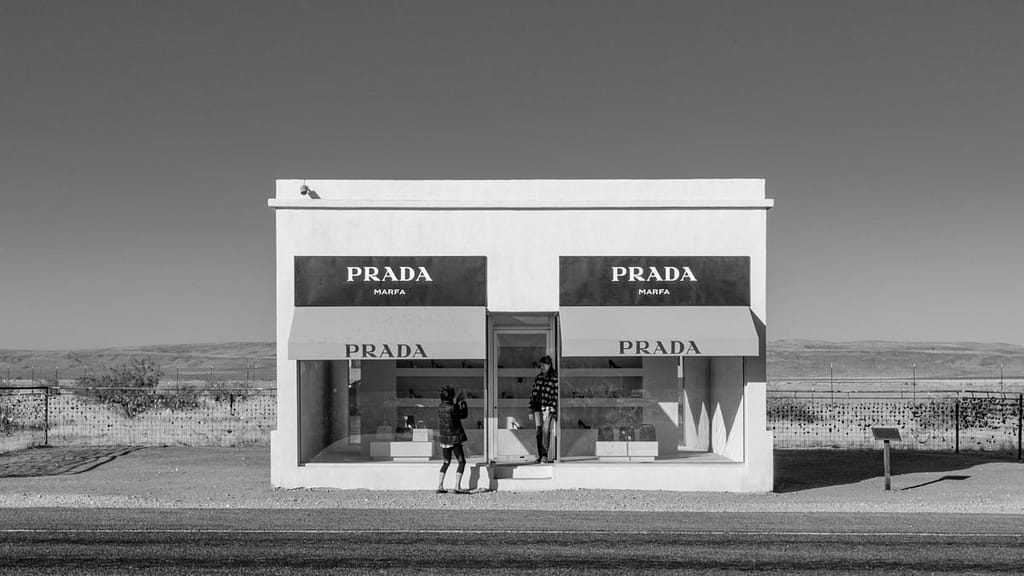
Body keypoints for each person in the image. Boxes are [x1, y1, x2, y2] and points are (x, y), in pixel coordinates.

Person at [436, 385, 469, 494]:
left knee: (446, 462)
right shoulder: (453, 407)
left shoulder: (440, 407)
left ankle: (440, 486)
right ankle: (457, 486)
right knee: (461, 462)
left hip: (444, 439)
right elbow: (463, 415)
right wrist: (462, 403)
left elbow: (450, 410)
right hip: (454, 438)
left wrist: (456, 403)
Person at [528, 355, 558, 463]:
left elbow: (555, 395)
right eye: (541, 366)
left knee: (546, 429)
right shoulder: (538, 378)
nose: (542, 367)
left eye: (544, 365)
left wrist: (551, 408)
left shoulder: (554, 379)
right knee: (539, 431)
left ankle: (545, 455)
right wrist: (530, 408)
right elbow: (533, 393)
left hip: (548, 408)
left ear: (549, 365)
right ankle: (540, 455)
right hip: (537, 407)